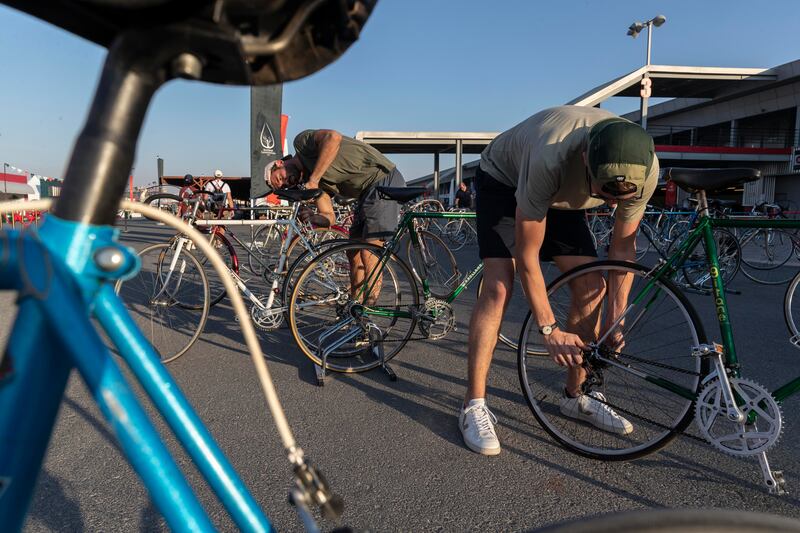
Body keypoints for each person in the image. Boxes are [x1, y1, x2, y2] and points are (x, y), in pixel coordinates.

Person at [459, 105, 659, 456]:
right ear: (585, 159)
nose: (611, 205)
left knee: (593, 285)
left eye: (618, 199)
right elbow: (527, 254)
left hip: (567, 195)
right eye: (606, 195)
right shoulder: (549, 156)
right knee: (500, 285)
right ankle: (473, 404)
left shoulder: (647, 169)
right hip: (505, 181)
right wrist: (549, 328)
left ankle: (576, 396)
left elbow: (623, 248)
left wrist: (616, 317)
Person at [264, 129, 406, 300]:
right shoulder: (313, 182)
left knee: (369, 250)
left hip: (383, 180)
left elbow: (333, 137)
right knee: (353, 252)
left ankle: (369, 311)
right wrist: (314, 217)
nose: (286, 183)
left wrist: (314, 179)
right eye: (283, 186)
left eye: (280, 178)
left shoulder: (302, 144)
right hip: (365, 193)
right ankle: (355, 307)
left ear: (279, 163)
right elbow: (329, 217)